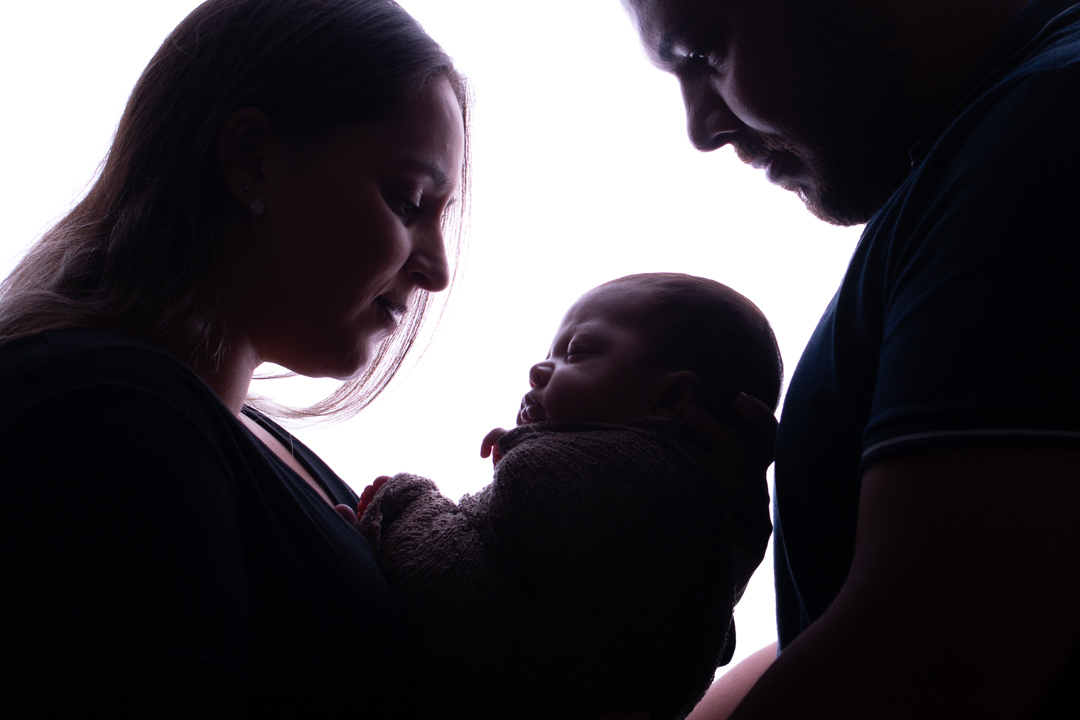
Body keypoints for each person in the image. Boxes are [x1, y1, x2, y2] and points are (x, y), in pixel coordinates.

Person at [0, 0, 468, 716]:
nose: (437, 269)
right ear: (253, 162)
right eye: (407, 201)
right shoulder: (110, 415)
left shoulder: (222, 432)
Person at [621, 0, 1080, 718]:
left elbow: (931, 658)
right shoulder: (988, 145)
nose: (701, 130)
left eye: (705, 52)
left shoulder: (1044, 131)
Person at [350, 273, 783, 720]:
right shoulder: (689, 517)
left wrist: (411, 502)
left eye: (576, 352)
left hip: (494, 679)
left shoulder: (647, 472)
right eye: (550, 353)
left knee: (409, 496)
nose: (539, 369)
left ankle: (393, 514)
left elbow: (529, 504)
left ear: (671, 396)